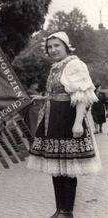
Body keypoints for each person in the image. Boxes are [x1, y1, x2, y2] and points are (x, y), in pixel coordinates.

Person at [27, 32, 102, 218]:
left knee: (68, 168)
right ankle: (60, 210)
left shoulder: (75, 64)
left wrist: (78, 123)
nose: (53, 50)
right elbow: (62, 92)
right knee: (57, 167)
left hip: (68, 120)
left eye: (56, 45)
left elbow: (83, 96)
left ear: (67, 46)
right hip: (53, 120)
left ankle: (67, 212)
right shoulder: (56, 68)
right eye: (50, 47)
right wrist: (44, 97)